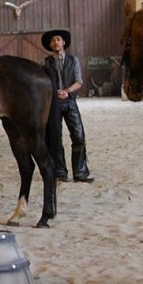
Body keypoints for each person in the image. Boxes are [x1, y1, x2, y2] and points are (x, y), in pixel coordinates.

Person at [40, 29, 93, 183]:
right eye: (52, 41)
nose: (55, 42)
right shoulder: (46, 63)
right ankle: (60, 171)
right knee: (55, 138)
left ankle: (80, 172)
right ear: (50, 45)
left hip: (70, 102)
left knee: (78, 135)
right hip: (53, 104)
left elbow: (79, 81)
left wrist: (67, 91)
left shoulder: (73, 60)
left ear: (63, 42)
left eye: (58, 39)